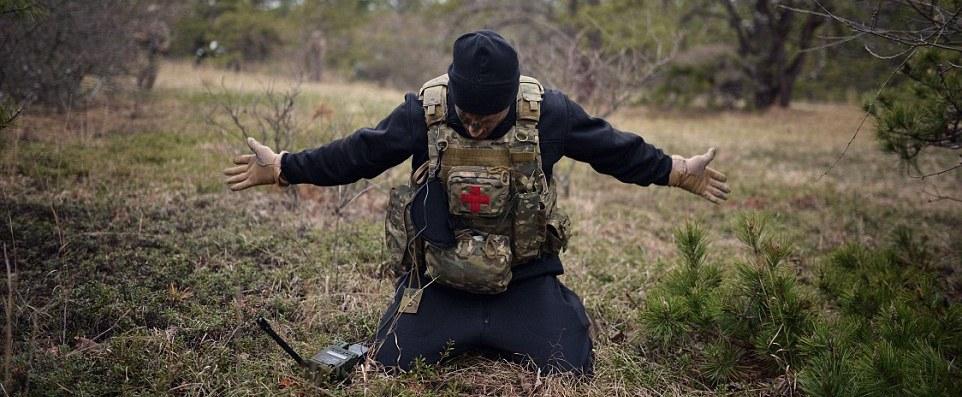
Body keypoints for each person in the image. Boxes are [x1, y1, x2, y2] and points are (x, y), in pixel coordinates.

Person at [223, 30, 729, 375]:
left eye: (490, 116)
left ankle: (553, 311)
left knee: (572, 364)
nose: (477, 125)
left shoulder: (548, 113)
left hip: (524, 280)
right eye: (468, 114)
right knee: (392, 361)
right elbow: (361, 152)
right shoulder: (424, 113)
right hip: (440, 279)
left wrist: (677, 171)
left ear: (511, 98)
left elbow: (612, 148)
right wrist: (286, 167)